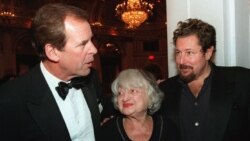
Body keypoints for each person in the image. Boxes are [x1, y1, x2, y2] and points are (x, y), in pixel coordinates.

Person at [0, 3, 103, 141]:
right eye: (83, 44)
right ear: (53, 52)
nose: (94, 50)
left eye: (91, 40)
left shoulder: (91, 77)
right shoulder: (9, 99)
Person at [159, 18, 250, 141]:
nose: (181, 61)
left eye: (189, 53)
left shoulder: (241, 81)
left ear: (208, 53)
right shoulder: (164, 90)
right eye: (178, 52)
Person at [101, 69, 176, 141]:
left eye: (132, 91)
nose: (124, 98)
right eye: (120, 93)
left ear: (150, 95)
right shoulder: (108, 131)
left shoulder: (167, 128)